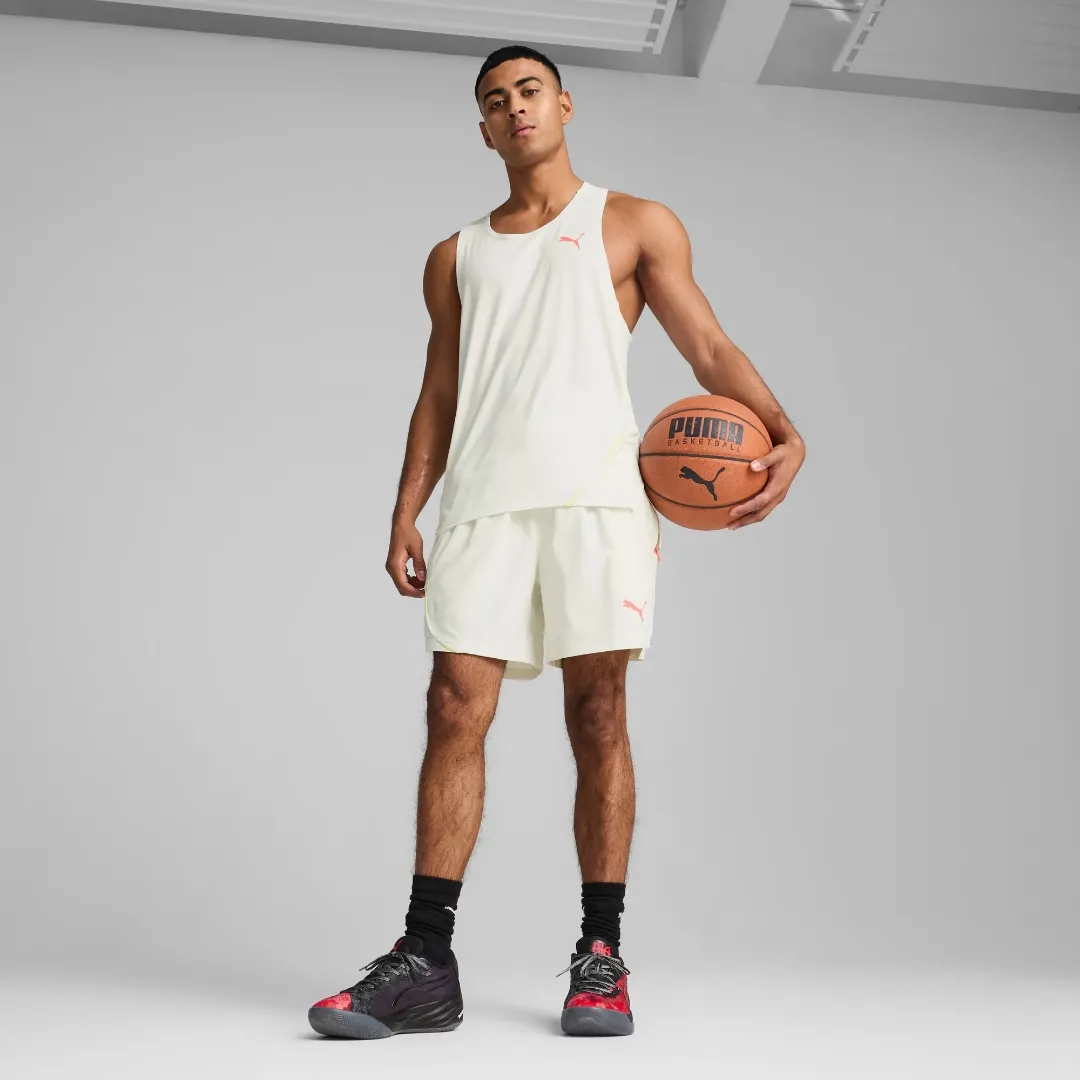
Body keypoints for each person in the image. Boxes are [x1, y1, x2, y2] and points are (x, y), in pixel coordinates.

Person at [308, 44, 806, 1040]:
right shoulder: (455, 255)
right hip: (485, 504)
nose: (515, 108)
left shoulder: (634, 223)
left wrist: (786, 432)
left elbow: (707, 346)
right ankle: (425, 960)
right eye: (495, 101)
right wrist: (407, 507)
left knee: (599, 712)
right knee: (454, 705)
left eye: (529, 90)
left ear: (565, 105)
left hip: (597, 502)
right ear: (483, 130)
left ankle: (601, 956)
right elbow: (440, 388)